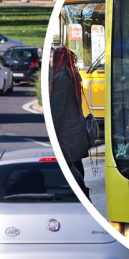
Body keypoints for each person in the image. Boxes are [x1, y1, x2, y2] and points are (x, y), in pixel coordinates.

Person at [49, 46, 90, 198]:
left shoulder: (61, 78)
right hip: (74, 128)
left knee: (69, 165)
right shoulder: (72, 75)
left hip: (67, 131)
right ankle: (83, 195)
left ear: (59, 59)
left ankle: (81, 195)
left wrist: (53, 129)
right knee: (75, 164)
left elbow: (58, 108)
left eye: (52, 57)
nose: (50, 61)